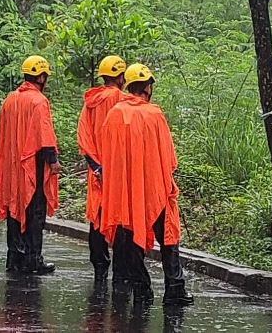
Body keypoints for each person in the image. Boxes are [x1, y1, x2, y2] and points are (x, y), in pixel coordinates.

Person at [99, 64, 193, 306]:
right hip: (156, 188)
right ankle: (175, 288)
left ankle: (141, 288)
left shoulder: (115, 114)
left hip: (126, 191)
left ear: (129, 86)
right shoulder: (154, 114)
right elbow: (169, 158)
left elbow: (108, 155)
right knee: (168, 236)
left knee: (130, 236)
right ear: (148, 87)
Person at [0, 55, 62, 274]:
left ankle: (14, 259)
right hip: (32, 167)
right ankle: (33, 260)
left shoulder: (10, 100)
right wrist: (53, 161)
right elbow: (45, 137)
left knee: (15, 209)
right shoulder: (38, 101)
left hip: (12, 169)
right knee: (34, 213)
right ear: (40, 77)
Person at [77, 55, 127, 283]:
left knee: (97, 216)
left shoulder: (91, 101)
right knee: (118, 217)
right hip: (117, 171)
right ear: (121, 77)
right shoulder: (121, 100)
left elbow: (83, 137)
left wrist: (96, 166)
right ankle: (120, 271)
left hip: (96, 170)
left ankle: (99, 267)